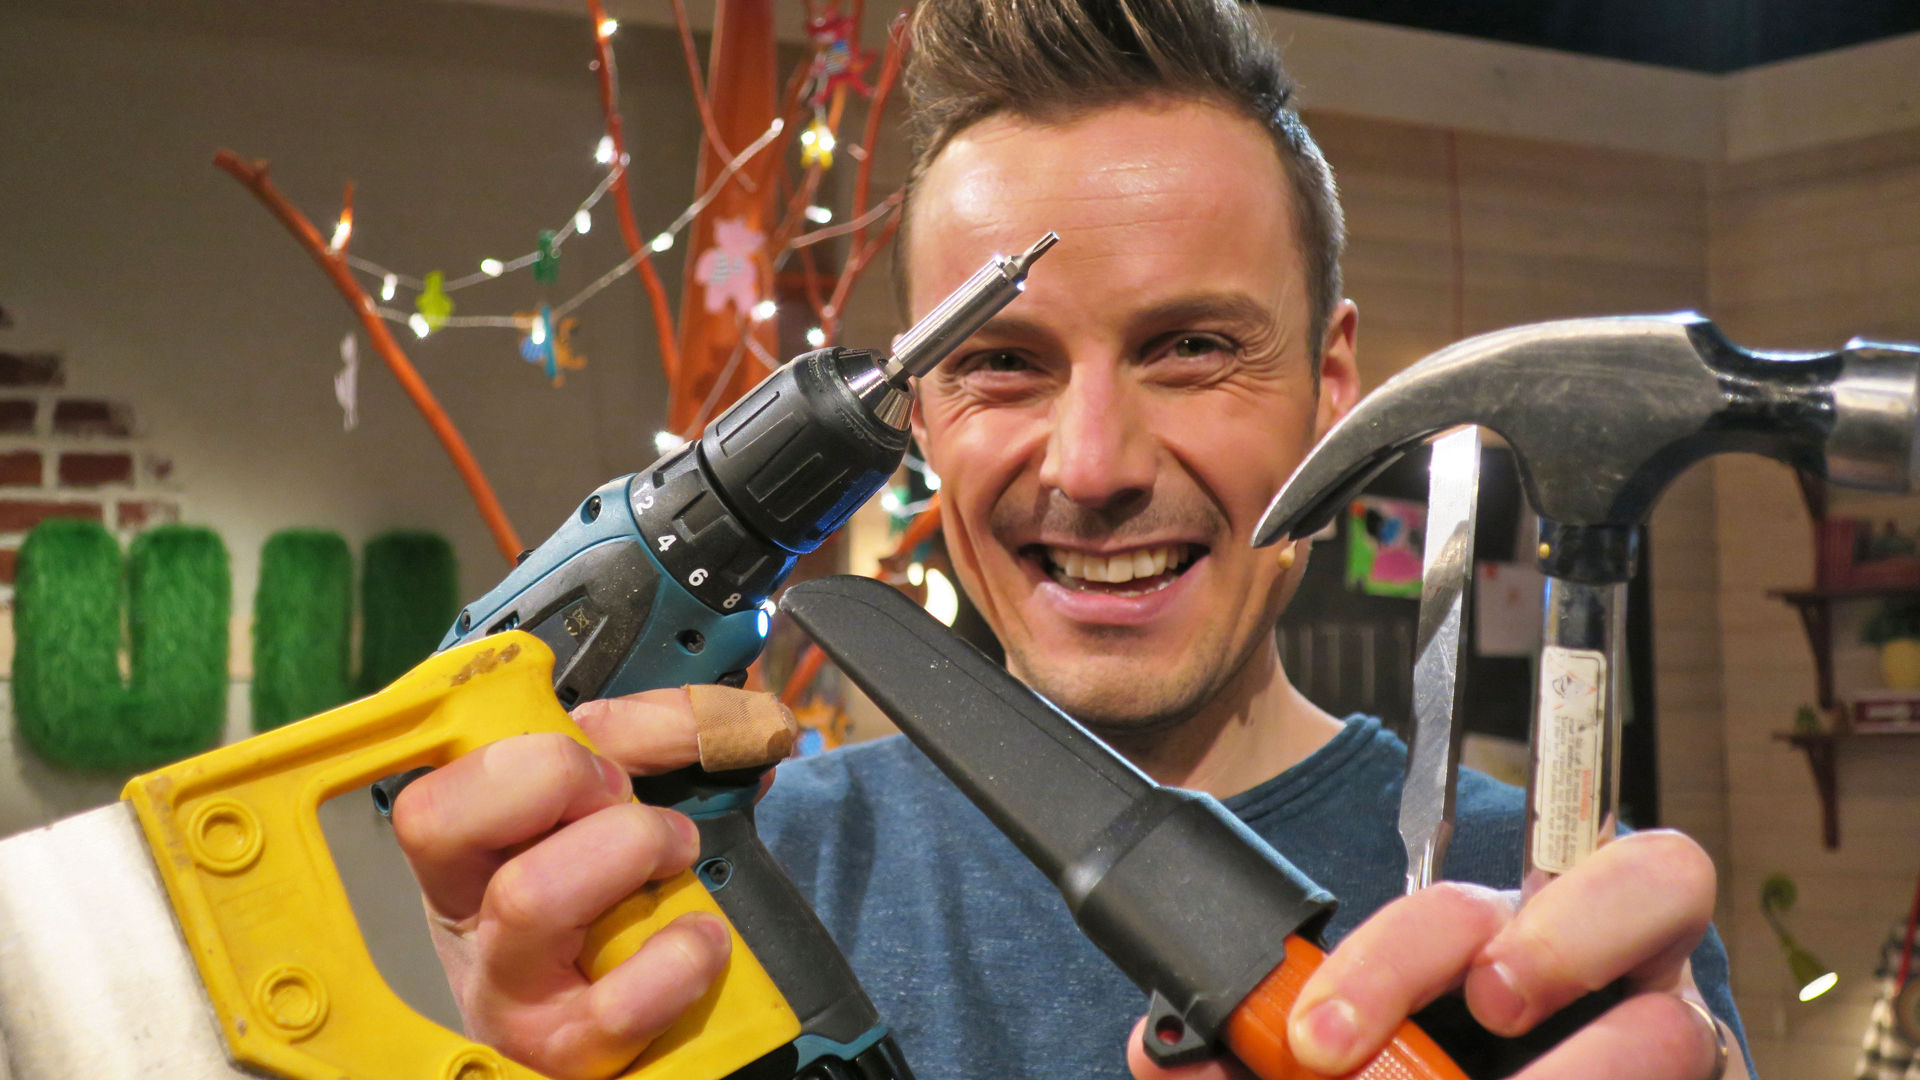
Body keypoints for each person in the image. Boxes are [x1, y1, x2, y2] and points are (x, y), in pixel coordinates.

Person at [391, 2, 1752, 1078]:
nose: (1092, 467)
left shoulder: (1555, 923)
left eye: (1193, 347)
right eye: (1001, 363)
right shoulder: (706, 888)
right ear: (921, 415)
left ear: (1334, 388)